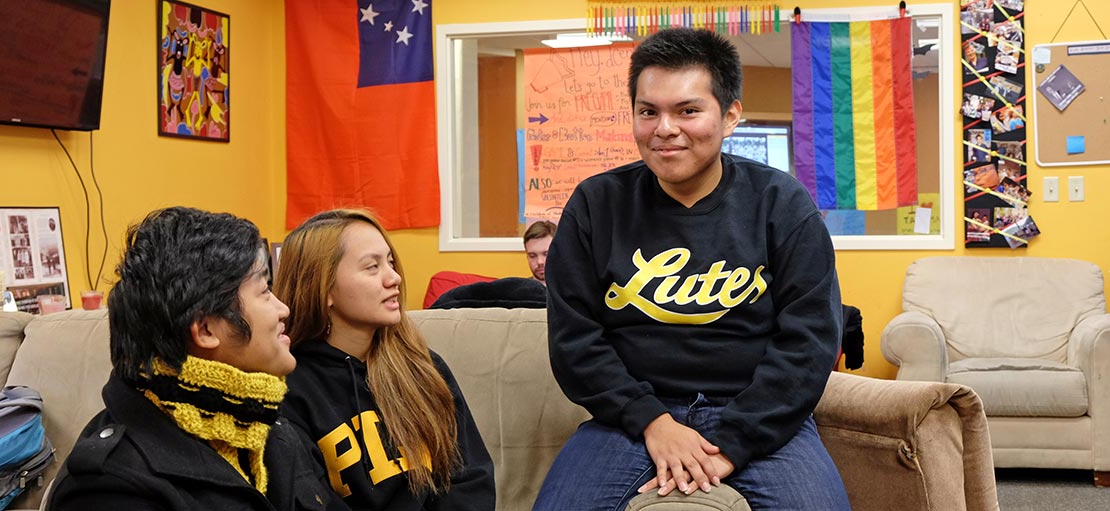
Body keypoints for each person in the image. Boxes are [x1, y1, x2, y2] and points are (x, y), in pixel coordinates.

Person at [534, 28, 848, 511]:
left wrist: (732, 443)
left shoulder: (782, 204)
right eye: (648, 111)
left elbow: (808, 342)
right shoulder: (596, 205)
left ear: (730, 116)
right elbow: (575, 341)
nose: (664, 128)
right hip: (632, 420)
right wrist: (654, 424)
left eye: (687, 110)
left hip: (757, 414)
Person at [48, 207, 346, 510]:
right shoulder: (109, 489)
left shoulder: (262, 427)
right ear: (205, 330)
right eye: (265, 291)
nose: (284, 310)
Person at [274, 208, 495, 511]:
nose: (395, 277)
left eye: (390, 262)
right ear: (324, 287)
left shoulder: (423, 367)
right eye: (372, 267)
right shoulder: (289, 389)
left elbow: (471, 481)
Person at [523, 220, 556, 285]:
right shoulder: (520, 292)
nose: (539, 262)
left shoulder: (576, 290)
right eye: (532, 256)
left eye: (546, 254)